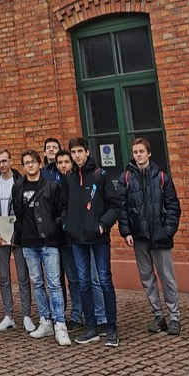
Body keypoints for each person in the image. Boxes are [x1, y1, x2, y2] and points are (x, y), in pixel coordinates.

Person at [118, 137, 182, 336]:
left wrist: (167, 231)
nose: (138, 155)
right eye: (135, 152)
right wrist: (127, 231)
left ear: (149, 153)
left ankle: (174, 317)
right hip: (139, 236)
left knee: (167, 278)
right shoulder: (126, 178)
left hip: (160, 236)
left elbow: (173, 207)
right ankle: (158, 316)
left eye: (141, 151)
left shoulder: (162, 177)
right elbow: (122, 207)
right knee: (147, 278)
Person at [62, 138, 121, 348]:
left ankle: (111, 328)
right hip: (77, 239)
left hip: (98, 237)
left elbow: (115, 205)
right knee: (83, 281)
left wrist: (102, 225)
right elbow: (64, 204)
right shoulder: (69, 177)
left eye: (80, 151)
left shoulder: (100, 175)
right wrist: (67, 225)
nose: (77, 156)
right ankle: (91, 327)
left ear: (87, 152)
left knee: (104, 280)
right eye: (73, 152)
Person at [11, 150, 70, 346]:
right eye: (26, 163)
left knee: (54, 284)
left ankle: (60, 324)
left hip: (48, 242)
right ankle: (45, 321)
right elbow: (17, 212)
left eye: (33, 162)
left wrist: (53, 227)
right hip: (28, 242)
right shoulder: (18, 187)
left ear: (39, 164)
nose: (30, 165)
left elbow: (61, 211)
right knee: (36, 283)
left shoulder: (51, 186)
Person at [0, 148, 33, 333]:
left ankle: (27, 315)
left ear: (11, 161)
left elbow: (25, 212)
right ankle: (9, 316)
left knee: (23, 277)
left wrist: (18, 233)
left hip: (18, 237)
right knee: (4, 278)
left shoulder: (20, 182)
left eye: (4, 160)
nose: (1, 164)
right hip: (0, 237)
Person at [54, 148, 84, 331]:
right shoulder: (54, 183)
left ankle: (92, 313)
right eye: (60, 163)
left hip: (79, 236)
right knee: (71, 278)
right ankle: (76, 314)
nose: (63, 165)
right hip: (63, 238)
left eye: (66, 162)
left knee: (86, 277)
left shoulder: (77, 181)